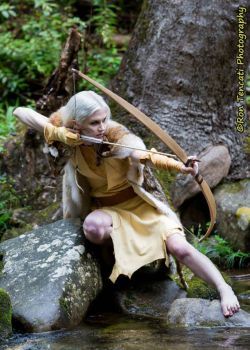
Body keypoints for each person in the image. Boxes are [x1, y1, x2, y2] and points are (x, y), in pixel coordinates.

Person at [13, 90, 240, 317]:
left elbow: (148, 156)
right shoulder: (68, 136)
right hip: (108, 211)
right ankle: (113, 271)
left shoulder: (117, 137)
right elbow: (20, 112)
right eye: (94, 123)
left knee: (180, 248)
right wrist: (60, 134)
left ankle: (223, 288)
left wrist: (182, 166)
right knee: (93, 229)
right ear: (76, 124)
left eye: (104, 119)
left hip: (142, 208)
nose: (102, 127)